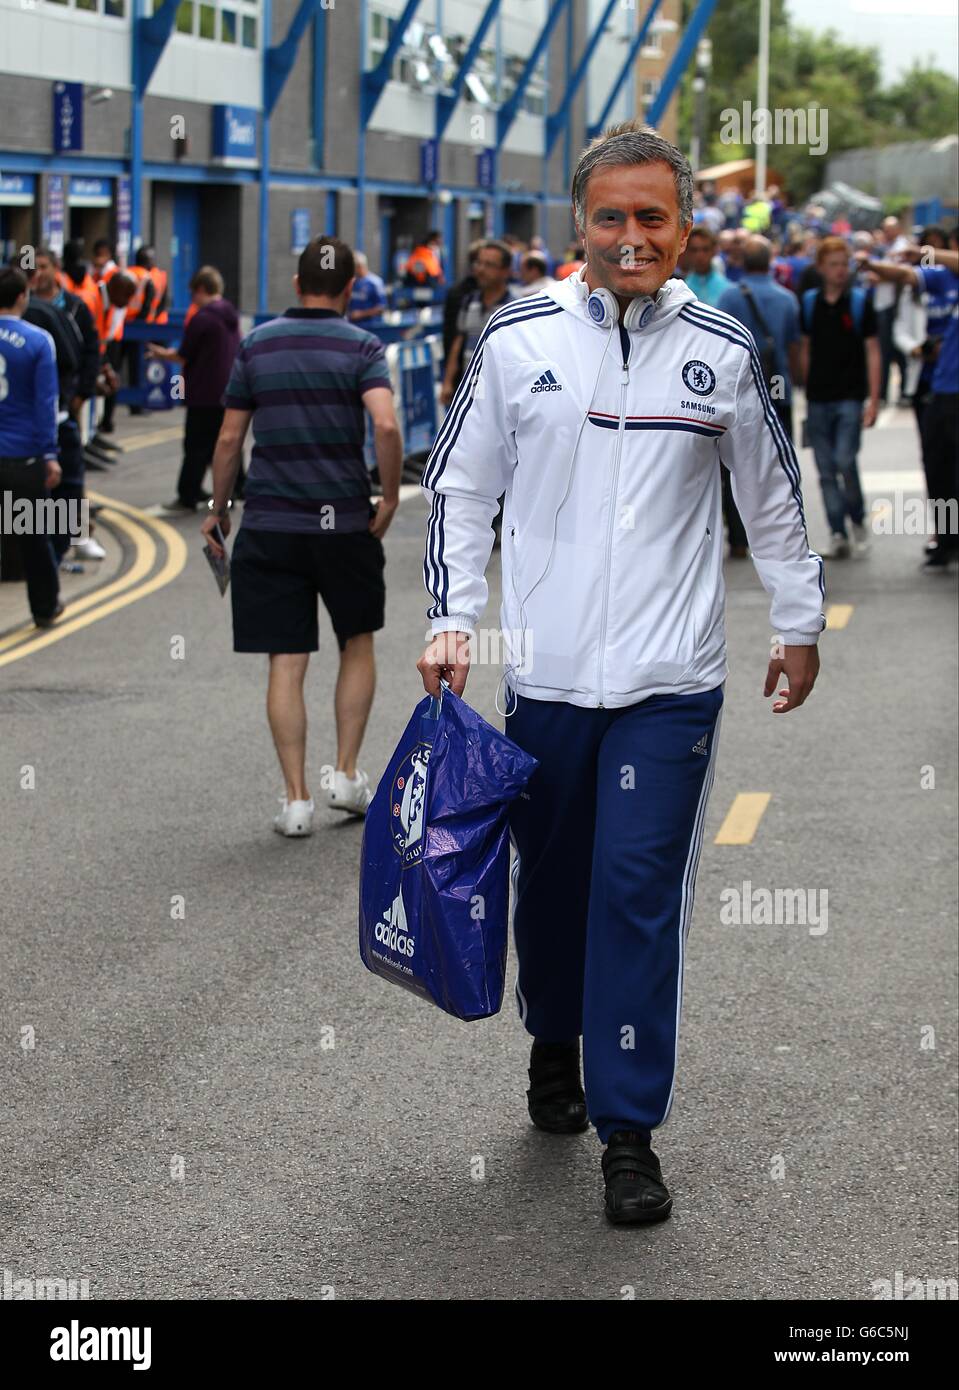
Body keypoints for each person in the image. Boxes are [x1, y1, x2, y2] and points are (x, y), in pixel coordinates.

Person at [417, 122, 823, 1227]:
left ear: (683, 225)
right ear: (579, 225)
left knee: (635, 894)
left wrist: (798, 620)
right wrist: (452, 618)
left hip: (668, 681)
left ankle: (628, 1131)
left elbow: (772, 501)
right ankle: (553, 1040)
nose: (630, 236)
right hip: (542, 679)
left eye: (652, 216)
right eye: (611, 216)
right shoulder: (516, 338)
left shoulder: (724, 351)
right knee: (550, 887)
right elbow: (459, 489)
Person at [200, 237, 402, 833]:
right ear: (348, 290)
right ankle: (343, 775)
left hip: (270, 524)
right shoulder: (363, 345)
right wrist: (388, 495)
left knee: (285, 661)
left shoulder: (257, 343)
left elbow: (230, 439)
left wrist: (218, 507)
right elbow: (386, 424)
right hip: (343, 522)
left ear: (296, 284)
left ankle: (294, 802)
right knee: (356, 642)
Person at [862, 240, 959, 569]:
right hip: (935, 388)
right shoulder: (937, 278)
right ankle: (945, 537)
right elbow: (904, 276)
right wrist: (871, 264)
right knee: (937, 465)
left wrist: (923, 252)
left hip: (950, 389)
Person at [800, 236, 880, 559]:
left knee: (845, 460)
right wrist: (805, 384)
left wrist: (874, 398)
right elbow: (805, 347)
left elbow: (873, 351)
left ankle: (857, 517)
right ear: (820, 268)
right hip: (819, 397)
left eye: (843, 264)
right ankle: (837, 530)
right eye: (832, 265)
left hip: (849, 395)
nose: (839, 271)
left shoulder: (860, 302)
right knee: (825, 468)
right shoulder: (809, 302)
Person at [25, 247, 103, 564]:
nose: (38, 273)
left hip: (66, 402)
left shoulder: (73, 306)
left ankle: (78, 536)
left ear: (56, 269)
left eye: (43, 267)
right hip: (34, 410)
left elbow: (89, 351)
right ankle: (51, 545)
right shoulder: (24, 308)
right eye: (34, 268)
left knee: (71, 473)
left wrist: (81, 394)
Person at [0, 267, 63, 627]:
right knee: (34, 538)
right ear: (22, 296)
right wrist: (50, 455)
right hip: (23, 458)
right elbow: (45, 403)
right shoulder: (39, 341)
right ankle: (44, 607)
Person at [150, 265, 241, 513]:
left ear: (201, 290)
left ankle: (187, 496)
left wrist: (159, 353)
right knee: (223, 446)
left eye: (193, 295)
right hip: (227, 392)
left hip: (203, 392)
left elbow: (184, 355)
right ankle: (229, 494)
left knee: (195, 447)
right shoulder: (231, 315)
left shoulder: (203, 318)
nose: (193, 300)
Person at [439, 239, 516, 407]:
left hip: (501, 395)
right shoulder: (468, 302)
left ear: (505, 271)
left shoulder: (515, 308)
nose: (480, 269)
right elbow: (459, 342)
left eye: (489, 265)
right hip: (469, 390)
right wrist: (448, 382)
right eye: (478, 263)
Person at [872, 216, 910, 404]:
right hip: (884, 304)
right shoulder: (886, 248)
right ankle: (884, 393)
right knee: (885, 350)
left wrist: (878, 276)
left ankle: (903, 391)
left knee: (896, 349)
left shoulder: (902, 248)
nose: (886, 233)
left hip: (895, 307)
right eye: (884, 229)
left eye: (889, 229)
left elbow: (900, 274)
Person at [682, 227, 729, 307]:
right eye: (694, 250)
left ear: (714, 251)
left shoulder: (726, 288)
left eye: (705, 249)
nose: (700, 255)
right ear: (686, 251)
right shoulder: (682, 289)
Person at [348, 252, 388, 326]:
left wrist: (361, 314)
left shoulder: (375, 282)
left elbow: (381, 308)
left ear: (360, 266)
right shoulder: (353, 282)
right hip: (354, 326)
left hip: (371, 326)